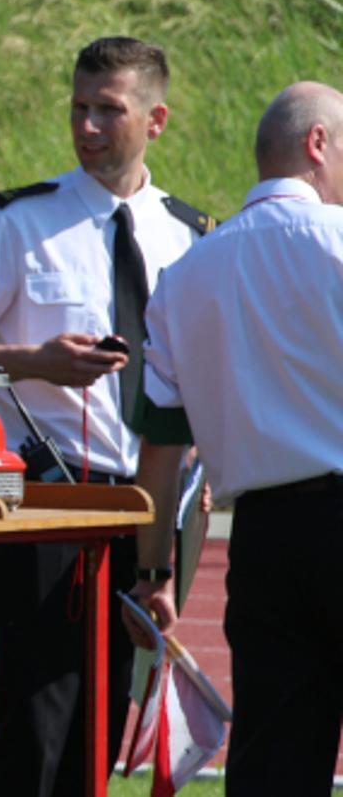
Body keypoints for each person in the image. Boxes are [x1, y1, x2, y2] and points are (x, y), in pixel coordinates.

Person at [0, 36, 211, 796]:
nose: (89, 126)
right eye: (79, 107)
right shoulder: (15, 222)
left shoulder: (190, 236)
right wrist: (35, 363)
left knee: (104, 734)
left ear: (156, 119)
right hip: (39, 507)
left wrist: (170, 547)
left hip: (143, 508)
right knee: (35, 725)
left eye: (109, 109)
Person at [126, 81, 343, 796]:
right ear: (319, 144)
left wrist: (153, 573)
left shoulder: (185, 277)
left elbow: (161, 450)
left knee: (274, 761)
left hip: (264, 540)